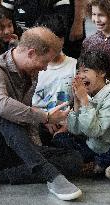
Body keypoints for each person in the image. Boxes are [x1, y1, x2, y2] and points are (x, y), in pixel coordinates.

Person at [0, 27, 83, 201]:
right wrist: (46, 117)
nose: (45, 68)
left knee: (74, 159)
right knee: (4, 111)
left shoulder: (30, 74)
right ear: (32, 53)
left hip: (14, 146)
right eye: (45, 61)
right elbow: (1, 107)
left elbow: (25, 116)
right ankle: (51, 175)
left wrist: (33, 148)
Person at [51, 51, 110, 181]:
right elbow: (75, 130)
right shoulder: (86, 92)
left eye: (85, 71)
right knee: (60, 138)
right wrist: (77, 104)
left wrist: (84, 101)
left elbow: (94, 131)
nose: (80, 76)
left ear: (101, 73)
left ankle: (98, 164)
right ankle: (105, 165)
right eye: (78, 72)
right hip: (94, 146)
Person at [32, 14, 77, 145]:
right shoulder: (32, 67)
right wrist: (44, 120)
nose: (50, 46)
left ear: (62, 39)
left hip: (66, 124)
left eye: (55, 40)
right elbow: (25, 103)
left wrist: (67, 125)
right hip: (38, 122)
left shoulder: (75, 66)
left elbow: (80, 103)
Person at [1, 0, 87, 59]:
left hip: (50, 41)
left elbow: (61, 22)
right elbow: (4, 17)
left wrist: (78, 23)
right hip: (23, 42)